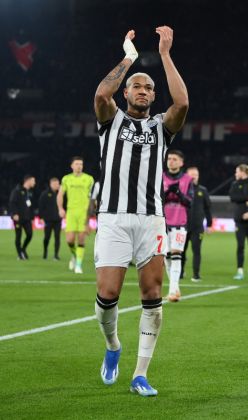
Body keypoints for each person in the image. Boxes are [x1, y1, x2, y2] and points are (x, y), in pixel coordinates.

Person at [92, 27, 188, 396]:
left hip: (151, 219)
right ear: (127, 92)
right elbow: (102, 92)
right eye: (138, 86)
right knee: (108, 293)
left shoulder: (161, 126)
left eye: (149, 88)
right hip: (114, 219)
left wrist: (164, 54)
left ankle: (140, 374)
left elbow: (182, 105)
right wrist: (130, 58)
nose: (144, 91)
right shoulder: (110, 120)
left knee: (152, 294)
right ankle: (113, 346)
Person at [162, 149, 194, 302]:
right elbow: (154, 199)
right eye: (169, 158)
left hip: (180, 224)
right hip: (162, 224)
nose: (171, 161)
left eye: (175, 159)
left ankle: (173, 290)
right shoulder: (160, 177)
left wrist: (180, 194)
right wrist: (167, 193)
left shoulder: (187, 180)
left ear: (181, 162)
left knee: (176, 255)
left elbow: (190, 202)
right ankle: (175, 288)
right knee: (166, 256)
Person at [57, 157, 94, 274]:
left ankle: (78, 265)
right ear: (72, 166)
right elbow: (60, 195)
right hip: (71, 212)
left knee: (82, 239)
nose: (79, 166)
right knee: (70, 240)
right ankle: (73, 255)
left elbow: (92, 198)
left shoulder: (89, 179)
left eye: (81, 164)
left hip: (83, 212)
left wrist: (91, 214)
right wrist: (60, 208)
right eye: (77, 164)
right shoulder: (66, 179)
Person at [182, 166, 213, 283]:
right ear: (186, 176)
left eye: (196, 174)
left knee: (197, 251)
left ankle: (196, 275)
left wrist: (209, 224)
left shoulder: (202, 190)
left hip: (197, 227)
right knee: (181, 251)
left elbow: (208, 208)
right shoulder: (182, 189)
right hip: (183, 226)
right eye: (192, 174)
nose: (194, 176)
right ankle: (180, 273)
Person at [9, 175, 36, 260]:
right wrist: (14, 214)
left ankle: (23, 249)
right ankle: (19, 254)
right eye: (33, 181)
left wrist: (32, 217)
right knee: (18, 236)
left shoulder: (29, 192)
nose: (34, 183)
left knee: (30, 234)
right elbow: (12, 202)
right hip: (18, 218)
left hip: (27, 218)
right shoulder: (17, 190)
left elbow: (30, 206)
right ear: (28, 181)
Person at [38, 177, 62, 260]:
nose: (57, 185)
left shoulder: (61, 194)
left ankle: (56, 255)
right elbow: (41, 206)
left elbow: (64, 205)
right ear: (51, 184)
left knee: (57, 238)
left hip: (58, 220)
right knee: (47, 238)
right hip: (48, 220)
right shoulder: (45, 194)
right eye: (55, 184)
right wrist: (41, 217)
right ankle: (45, 252)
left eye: (58, 184)